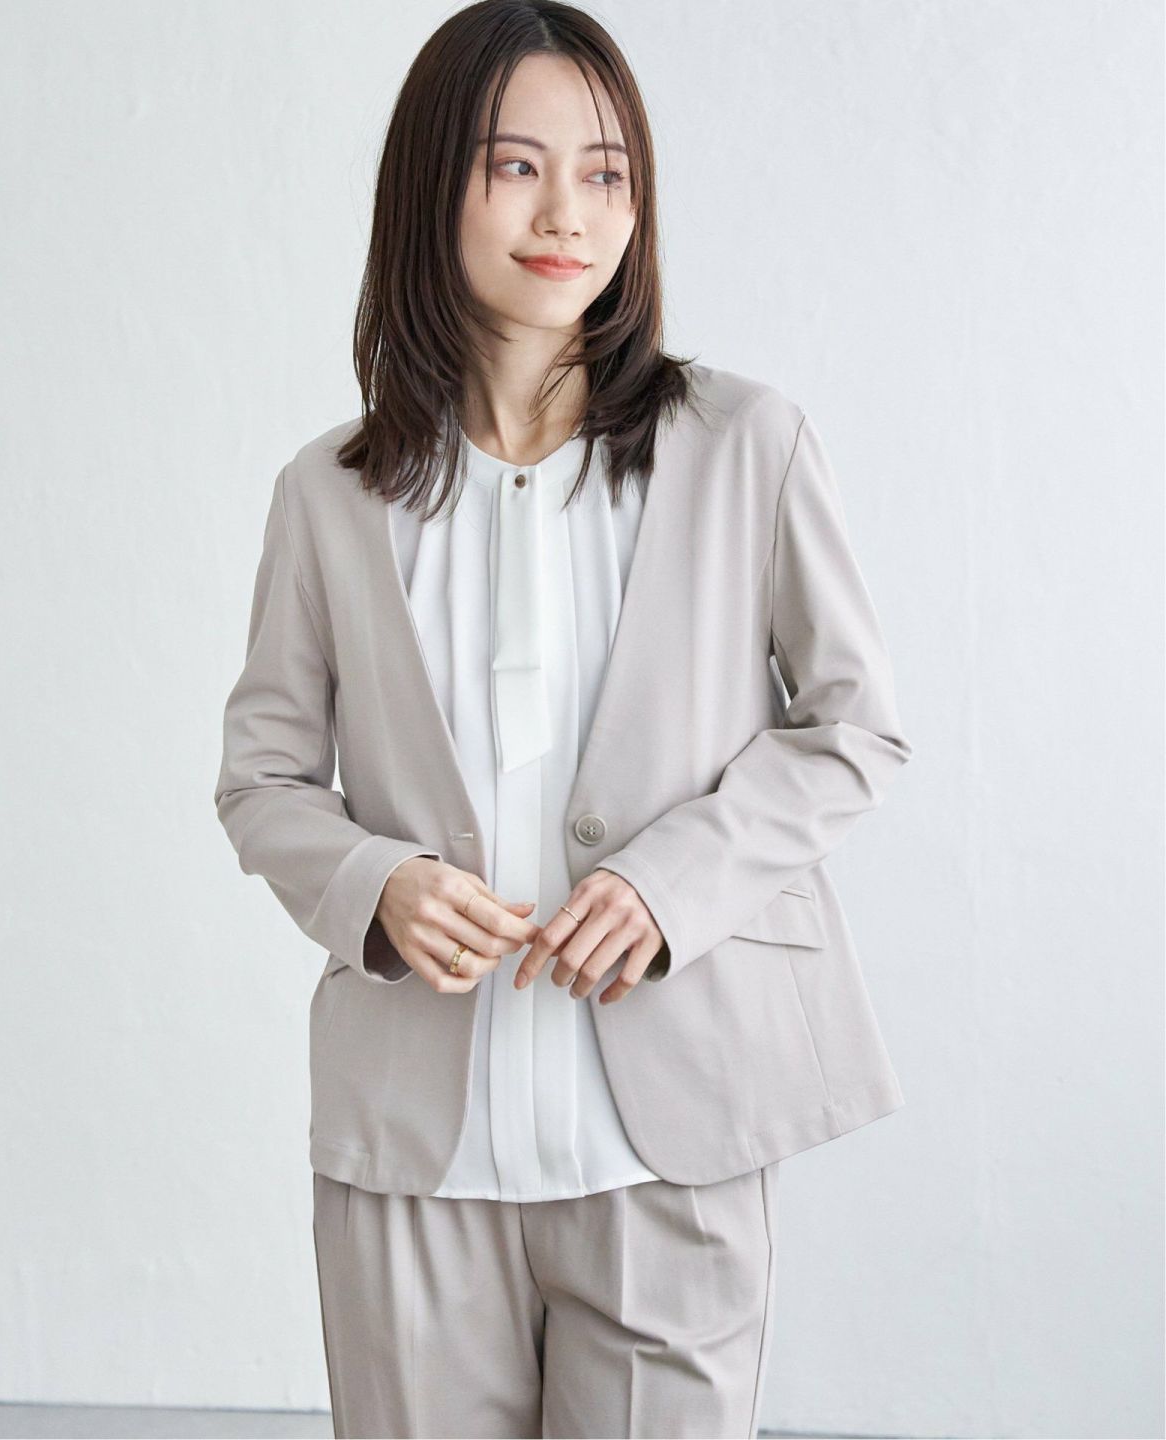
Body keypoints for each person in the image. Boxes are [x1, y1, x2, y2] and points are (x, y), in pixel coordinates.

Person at [213, 2, 914, 1436]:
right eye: (515, 167)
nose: (566, 215)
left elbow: (853, 728)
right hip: (415, 1155)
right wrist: (376, 882)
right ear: (433, 185)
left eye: (604, 173)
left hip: (671, 1142)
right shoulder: (329, 495)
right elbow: (263, 778)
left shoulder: (746, 445)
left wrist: (669, 885)